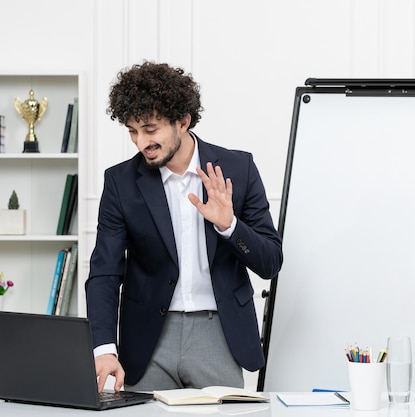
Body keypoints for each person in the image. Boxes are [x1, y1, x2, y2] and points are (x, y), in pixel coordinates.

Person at [86, 61, 283, 393]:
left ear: (183, 121)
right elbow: (105, 270)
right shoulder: (120, 182)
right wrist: (103, 348)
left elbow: (270, 262)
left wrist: (229, 225)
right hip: (148, 340)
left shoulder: (239, 169)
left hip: (218, 334)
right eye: (132, 131)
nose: (140, 142)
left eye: (150, 129)